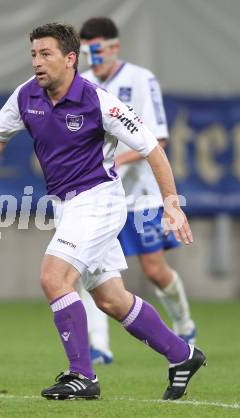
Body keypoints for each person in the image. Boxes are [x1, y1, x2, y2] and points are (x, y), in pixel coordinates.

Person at [0, 22, 205, 401]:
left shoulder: (99, 101)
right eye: (34, 54)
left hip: (99, 201)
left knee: (54, 277)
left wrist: (171, 205)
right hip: (66, 206)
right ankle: (182, 355)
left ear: (70, 59)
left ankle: (82, 376)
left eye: (46, 54)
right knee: (111, 299)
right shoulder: (25, 96)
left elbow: (153, 147)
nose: (37, 62)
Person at [78, 17, 197, 365]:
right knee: (88, 267)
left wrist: (114, 161)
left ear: (114, 46)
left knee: (154, 270)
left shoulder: (141, 80)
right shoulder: (80, 84)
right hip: (98, 196)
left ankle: (184, 324)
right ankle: (99, 346)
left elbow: (156, 138)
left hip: (141, 196)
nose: (93, 56)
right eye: (87, 50)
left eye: (97, 48)